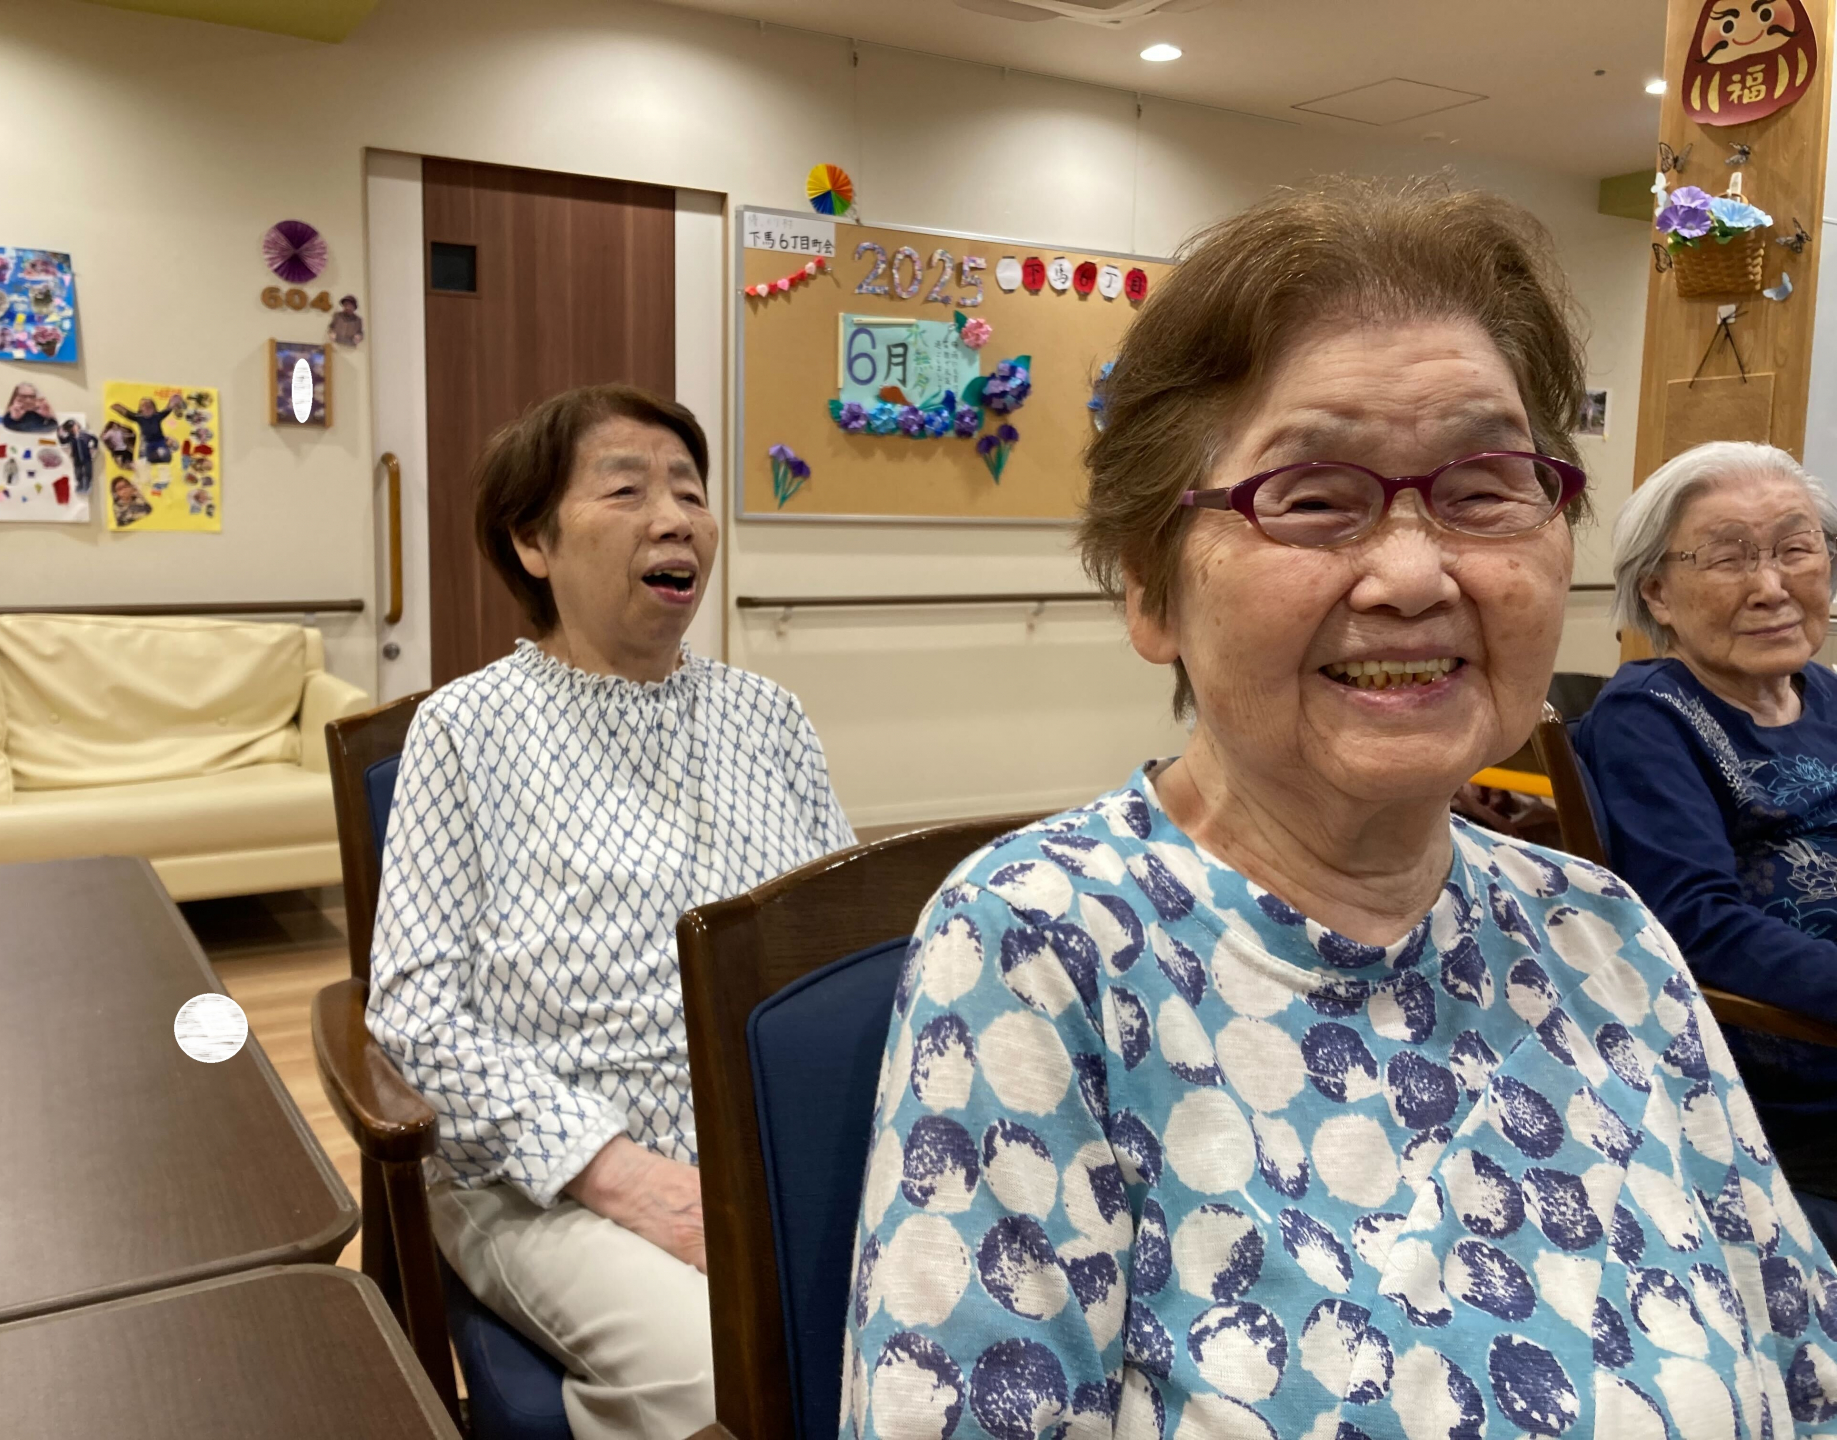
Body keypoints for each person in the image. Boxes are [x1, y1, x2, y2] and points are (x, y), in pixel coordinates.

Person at [841, 180, 1836, 1440]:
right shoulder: (1041, 948)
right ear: (1150, 589)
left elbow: (1804, 1364)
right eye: (1313, 497)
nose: (1415, 575)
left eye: (1485, 489)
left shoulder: (1602, 928)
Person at [368, 384, 855, 1440]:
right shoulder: (465, 731)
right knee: (723, 1376)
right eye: (627, 491)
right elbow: (413, 1016)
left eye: (689, 491)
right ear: (532, 543)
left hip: (767, 1153)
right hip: (538, 1182)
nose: (674, 518)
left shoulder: (767, 718)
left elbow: (839, 951)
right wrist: (619, 1173)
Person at [1577, 440, 1837, 1251]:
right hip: (1795, 1100)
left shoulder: (1827, 695)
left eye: (1796, 548)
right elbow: (1695, 923)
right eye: (1729, 559)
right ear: (1657, 591)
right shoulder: (1650, 719)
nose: (1772, 586)